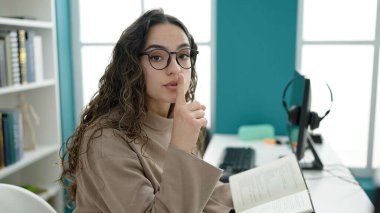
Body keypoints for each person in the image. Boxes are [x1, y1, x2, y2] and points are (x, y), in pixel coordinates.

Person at [59, 9, 234, 213]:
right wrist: (182, 147)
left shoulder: (174, 121)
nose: (175, 69)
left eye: (183, 55)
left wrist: (275, 183)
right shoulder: (105, 140)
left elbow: (203, 197)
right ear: (132, 66)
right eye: (157, 57)